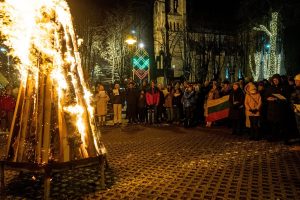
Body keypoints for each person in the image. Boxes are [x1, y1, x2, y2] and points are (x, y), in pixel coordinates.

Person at [265, 74, 288, 141]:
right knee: (272, 123)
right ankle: (273, 136)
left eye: (277, 80)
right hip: (271, 108)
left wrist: (277, 99)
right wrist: (268, 98)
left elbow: (286, 98)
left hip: (280, 109)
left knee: (280, 123)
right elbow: (266, 96)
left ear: (279, 80)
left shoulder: (284, 87)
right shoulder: (270, 87)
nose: (275, 81)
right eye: (274, 80)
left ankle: (281, 136)